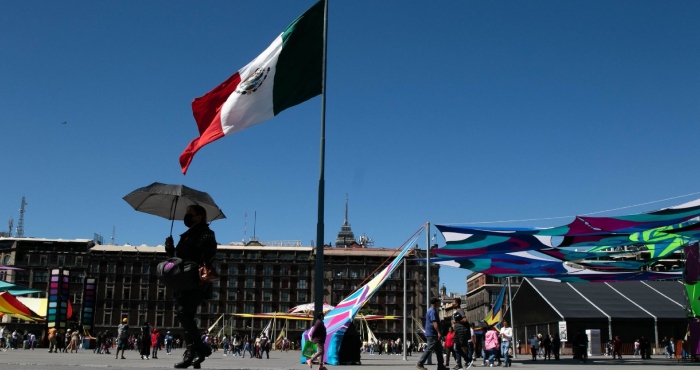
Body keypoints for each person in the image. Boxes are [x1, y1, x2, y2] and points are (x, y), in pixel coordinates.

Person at [164, 204, 218, 369]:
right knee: (186, 316)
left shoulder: (206, 234)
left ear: (199, 217)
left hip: (196, 281)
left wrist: (195, 254)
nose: (186, 216)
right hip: (183, 280)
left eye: (190, 214)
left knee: (183, 313)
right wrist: (170, 250)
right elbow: (178, 258)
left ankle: (197, 349)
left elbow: (209, 255)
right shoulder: (185, 236)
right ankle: (196, 353)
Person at [416, 298, 446, 370]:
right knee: (429, 349)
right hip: (432, 334)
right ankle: (420, 363)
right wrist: (439, 332)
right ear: (435, 303)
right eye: (438, 303)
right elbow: (434, 322)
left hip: (433, 333)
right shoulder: (432, 311)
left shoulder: (431, 310)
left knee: (439, 350)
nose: (439, 304)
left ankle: (441, 366)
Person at [449, 297, 471, 369]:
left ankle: (465, 361)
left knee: (457, 347)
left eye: (453, 302)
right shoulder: (454, 312)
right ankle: (462, 362)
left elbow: (465, 320)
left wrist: (457, 321)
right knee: (456, 348)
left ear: (457, 304)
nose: (452, 303)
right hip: (457, 331)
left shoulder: (460, 311)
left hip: (461, 331)